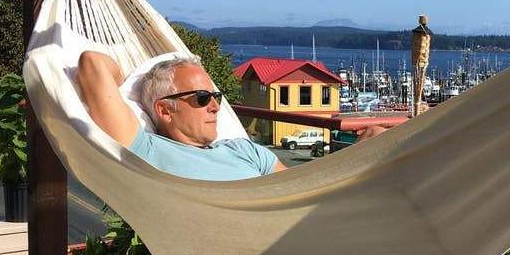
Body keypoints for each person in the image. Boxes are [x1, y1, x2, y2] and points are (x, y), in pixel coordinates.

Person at [76, 51, 384, 181]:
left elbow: (300, 187)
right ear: (164, 110)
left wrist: (358, 155)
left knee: (383, 140)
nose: (215, 106)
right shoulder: (147, 150)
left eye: (216, 97)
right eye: (202, 98)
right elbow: (91, 63)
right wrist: (128, 80)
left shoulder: (243, 149)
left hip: (305, 227)